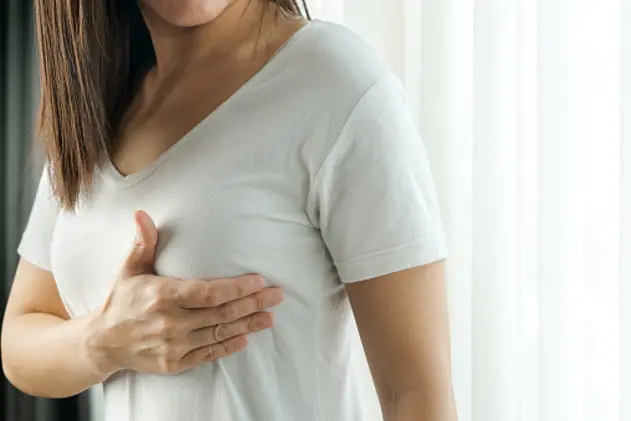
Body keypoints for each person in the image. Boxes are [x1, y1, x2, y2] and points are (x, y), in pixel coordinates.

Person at [1, 1, 457, 420]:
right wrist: (105, 341)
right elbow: (20, 340)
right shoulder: (98, 107)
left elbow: (416, 393)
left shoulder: (335, 81)